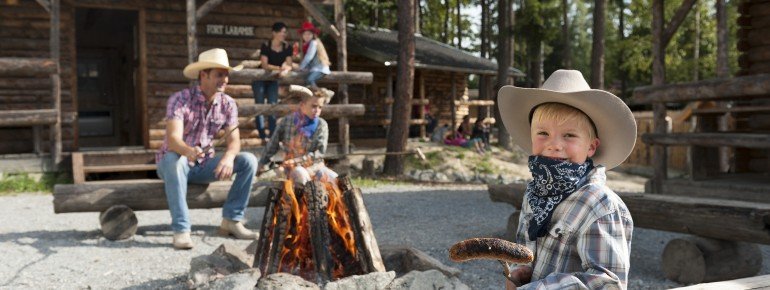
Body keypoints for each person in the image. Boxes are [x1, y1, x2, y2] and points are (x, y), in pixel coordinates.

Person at [496, 69, 636, 289]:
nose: (555, 144)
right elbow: (525, 252)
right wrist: (519, 275)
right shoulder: (534, 193)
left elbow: (608, 283)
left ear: (591, 146)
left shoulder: (600, 206)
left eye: (569, 135)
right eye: (543, 133)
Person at [156, 48, 259, 250]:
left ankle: (232, 220)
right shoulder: (179, 99)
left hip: (204, 165)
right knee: (173, 160)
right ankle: (181, 230)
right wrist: (188, 151)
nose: (225, 79)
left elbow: (234, 142)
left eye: (226, 74)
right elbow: (174, 140)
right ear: (204, 75)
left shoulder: (228, 104)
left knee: (248, 160)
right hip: (176, 163)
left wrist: (229, 157)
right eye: (220, 74)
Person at [257, 89, 338, 185]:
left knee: (335, 179)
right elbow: (272, 145)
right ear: (302, 105)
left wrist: (296, 160)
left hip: (315, 167)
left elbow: (319, 153)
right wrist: (261, 164)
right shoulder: (287, 121)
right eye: (314, 106)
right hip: (291, 168)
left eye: (320, 107)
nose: (317, 110)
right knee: (300, 173)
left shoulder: (322, 124)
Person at [253, 22, 293, 142]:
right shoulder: (266, 45)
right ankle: (262, 136)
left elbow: (289, 64)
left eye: (285, 32)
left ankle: (272, 136)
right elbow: (264, 65)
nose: (284, 34)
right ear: (274, 33)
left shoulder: (287, 47)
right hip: (260, 79)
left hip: (273, 80)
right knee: (259, 106)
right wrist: (279, 68)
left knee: (273, 106)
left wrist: (286, 69)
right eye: (282, 32)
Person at [295, 21, 331, 90]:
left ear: (313, 35)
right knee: (305, 79)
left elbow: (309, 57)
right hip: (314, 68)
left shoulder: (313, 43)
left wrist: (301, 67)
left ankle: (321, 93)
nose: (306, 36)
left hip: (321, 68)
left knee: (309, 80)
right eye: (305, 34)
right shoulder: (306, 45)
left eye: (309, 34)